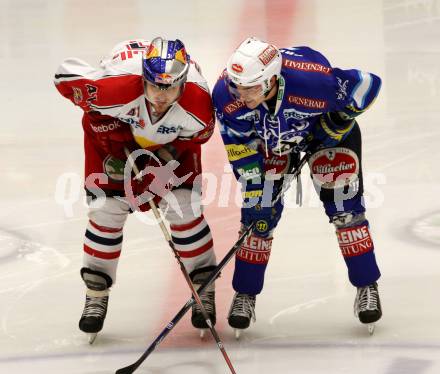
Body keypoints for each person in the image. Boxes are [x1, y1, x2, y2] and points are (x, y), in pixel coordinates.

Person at [212, 37, 382, 334]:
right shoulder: (227, 95)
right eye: (237, 85)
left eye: (250, 87)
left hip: (326, 139)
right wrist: (255, 191)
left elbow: (368, 85)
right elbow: (240, 148)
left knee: (345, 212)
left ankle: (367, 286)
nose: (242, 93)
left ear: (271, 80)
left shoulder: (312, 80)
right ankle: (245, 293)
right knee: (257, 218)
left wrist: (338, 123)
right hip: (270, 146)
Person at [54, 37, 217, 340]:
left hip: (169, 151)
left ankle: (204, 288)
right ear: (143, 77)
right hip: (110, 148)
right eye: (154, 85)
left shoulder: (198, 105)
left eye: (170, 88)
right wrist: (109, 126)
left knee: (185, 210)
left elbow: (197, 138)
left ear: (183, 82)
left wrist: (163, 161)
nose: (160, 96)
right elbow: (64, 76)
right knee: (106, 213)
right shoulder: (116, 87)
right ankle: (96, 293)